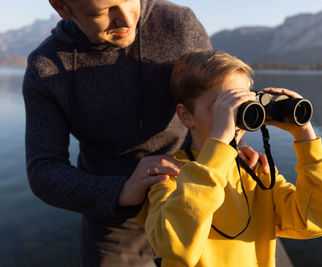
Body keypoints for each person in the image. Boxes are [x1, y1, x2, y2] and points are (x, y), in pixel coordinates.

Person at [23, 1, 268, 266]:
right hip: (117, 221)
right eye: (102, 12)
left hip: (197, 196)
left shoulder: (178, 24)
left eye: (130, 0)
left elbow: (214, 96)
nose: (127, 20)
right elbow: (43, 170)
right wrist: (120, 191)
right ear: (62, 7)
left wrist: (231, 145)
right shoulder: (45, 67)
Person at [136, 50, 322, 267]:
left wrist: (304, 137)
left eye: (241, 105)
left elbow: (316, 219)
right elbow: (175, 245)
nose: (233, 118)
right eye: (221, 109)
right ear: (186, 115)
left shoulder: (256, 173)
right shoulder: (169, 175)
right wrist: (218, 144)